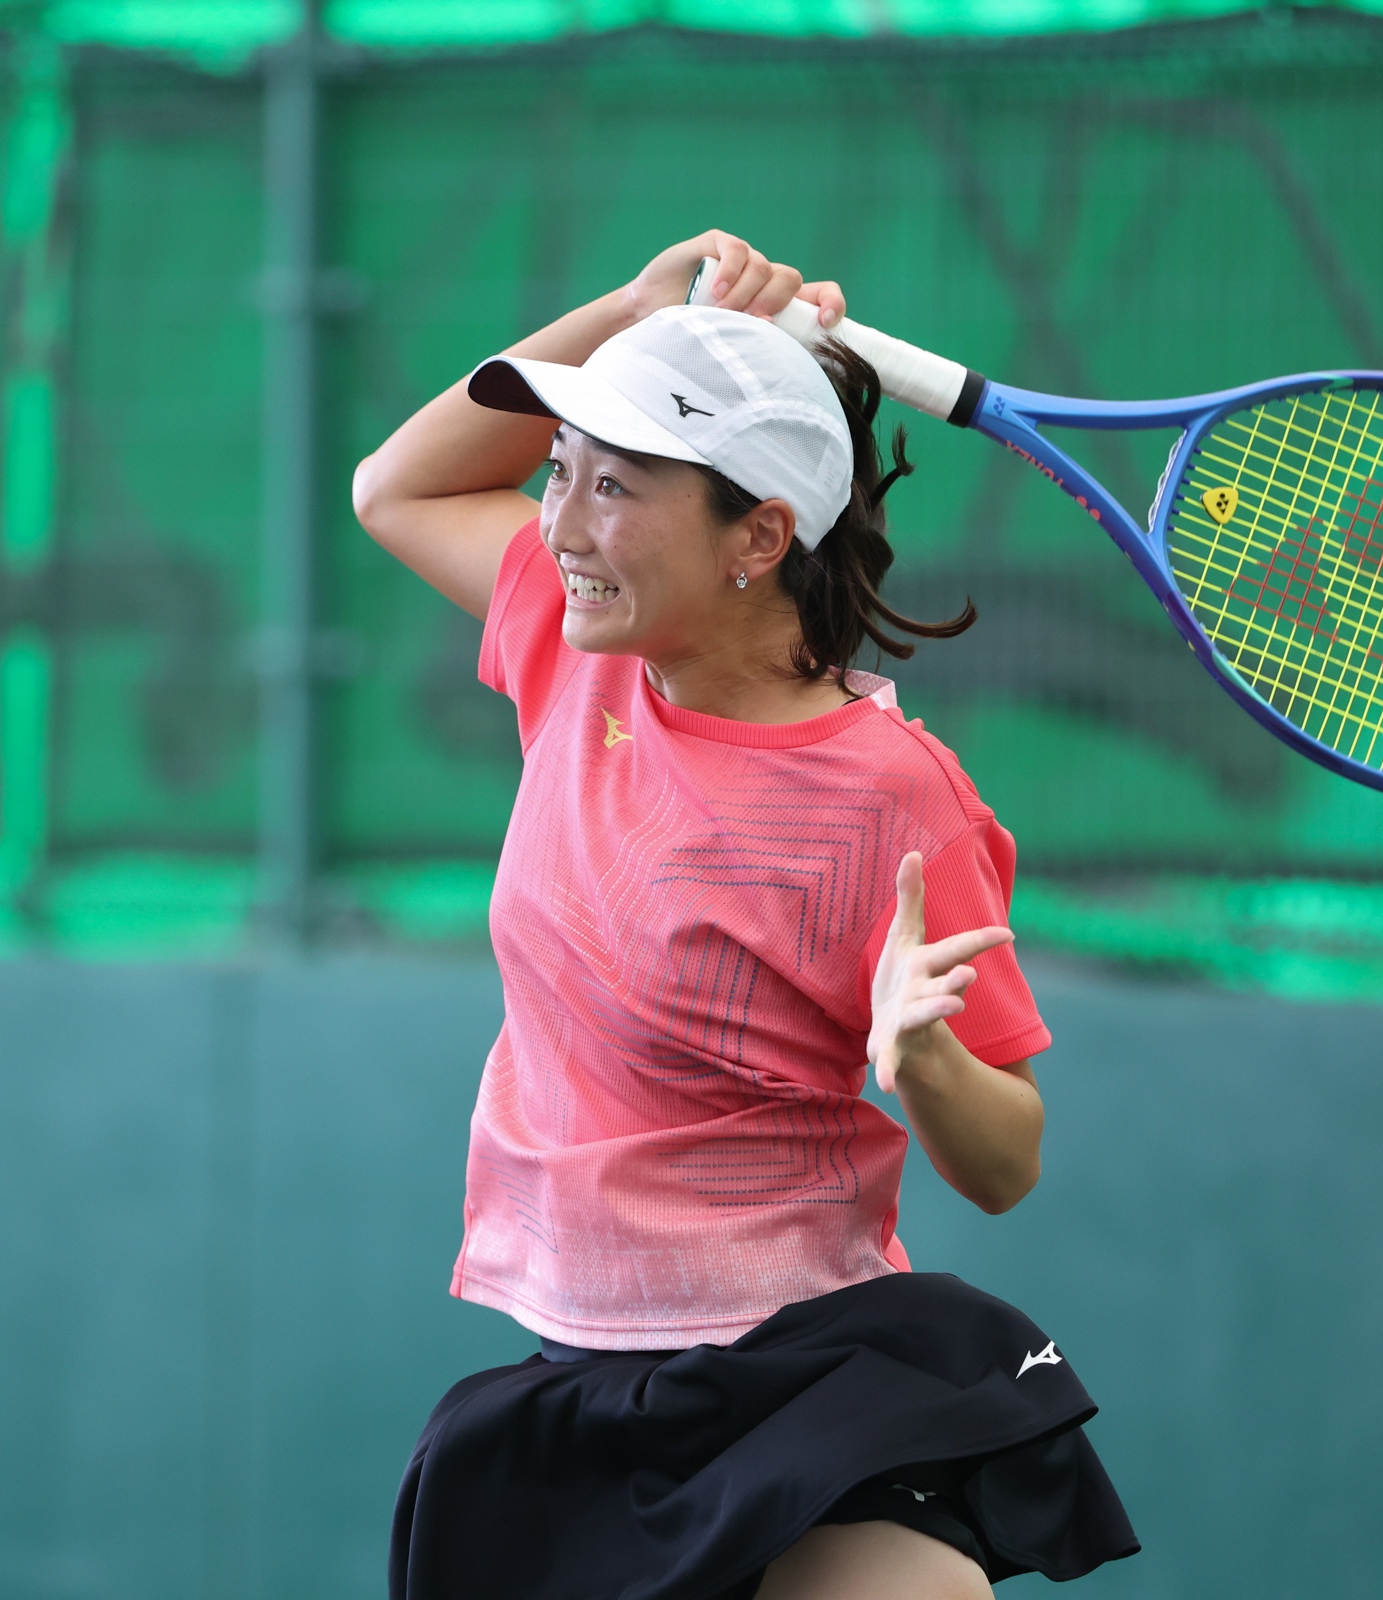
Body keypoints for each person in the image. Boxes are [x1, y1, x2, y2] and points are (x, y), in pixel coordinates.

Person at [349, 232, 1138, 1600]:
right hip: (579, 1385)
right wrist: (631, 312)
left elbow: (1006, 1160)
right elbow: (395, 487)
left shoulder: (896, 797)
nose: (560, 524)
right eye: (560, 472)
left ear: (760, 537)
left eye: (615, 486)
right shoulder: (577, 647)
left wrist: (926, 1061)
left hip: (806, 1384)